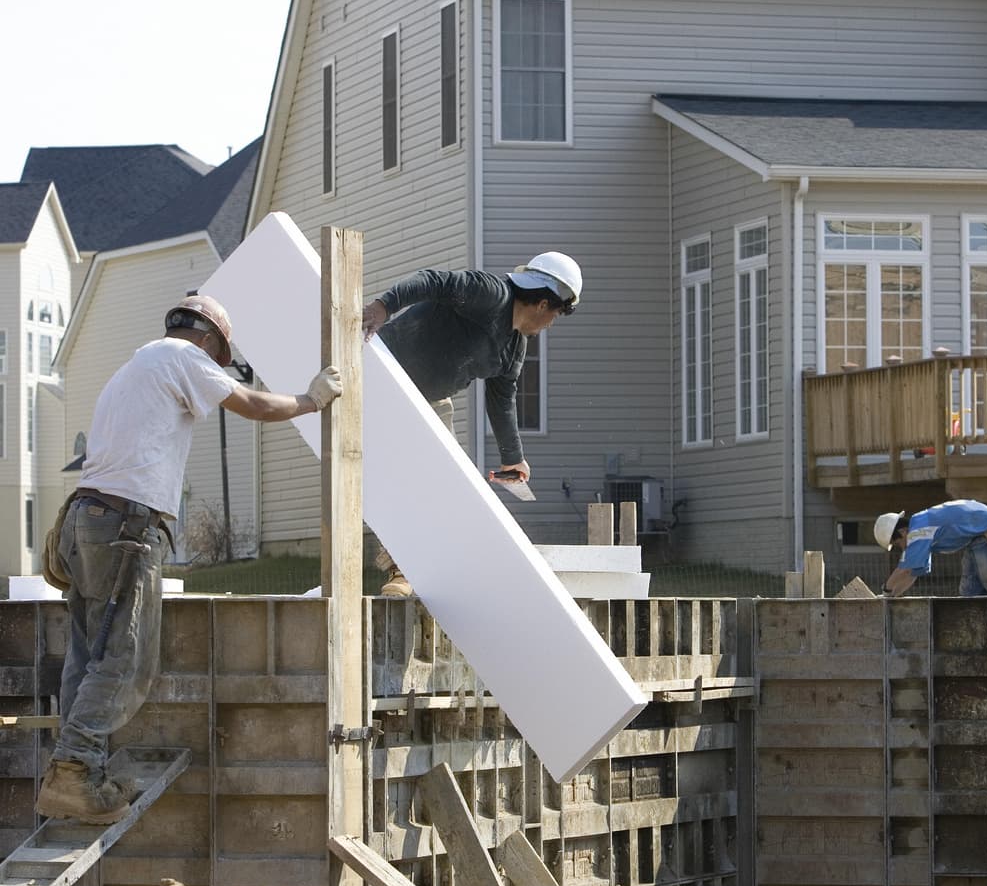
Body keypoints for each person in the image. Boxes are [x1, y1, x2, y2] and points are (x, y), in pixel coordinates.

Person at [36, 295, 343, 825]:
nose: (215, 370)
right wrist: (311, 400)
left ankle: (75, 771)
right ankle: (74, 771)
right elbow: (254, 405)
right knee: (123, 657)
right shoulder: (182, 357)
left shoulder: (137, 364)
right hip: (125, 526)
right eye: (218, 359)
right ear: (208, 341)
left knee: (88, 655)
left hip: (87, 519)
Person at [361, 251, 582, 596]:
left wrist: (513, 457)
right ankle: (401, 568)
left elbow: (501, 399)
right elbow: (433, 282)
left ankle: (421, 568)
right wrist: (383, 307)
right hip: (383, 374)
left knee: (446, 482)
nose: (550, 324)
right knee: (408, 478)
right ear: (542, 304)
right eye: (555, 315)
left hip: (429, 401)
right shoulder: (491, 294)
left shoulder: (514, 347)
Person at [876, 499, 987, 597]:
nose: (902, 548)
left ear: (903, 532)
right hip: (975, 535)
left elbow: (905, 569)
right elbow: (913, 573)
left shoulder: (919, 531)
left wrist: (886, 590)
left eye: (897, 544)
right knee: (969, 589)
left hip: (986, 529)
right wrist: (892, 596)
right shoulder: (921, 526)